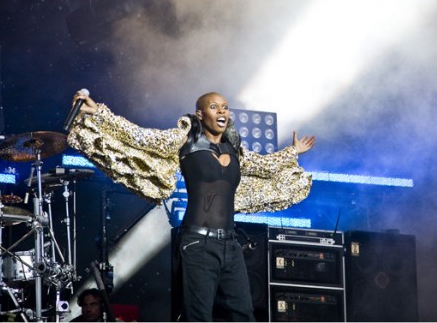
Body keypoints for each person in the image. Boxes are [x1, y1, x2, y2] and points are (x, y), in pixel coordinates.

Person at [67, 91, 315, 322]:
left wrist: (293, 150)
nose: (222, 112)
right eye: (214, 107)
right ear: (200, 114)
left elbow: (265, 165)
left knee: (245, 314)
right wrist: (99, 111)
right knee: (198, 317)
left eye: (225, 108)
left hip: (230, 245)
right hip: (197, 244)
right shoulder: (184, 142)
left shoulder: (235, 150)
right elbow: (139, 136)